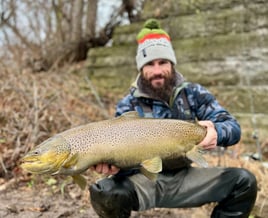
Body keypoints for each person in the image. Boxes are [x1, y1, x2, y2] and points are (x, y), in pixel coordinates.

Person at [89, 19, 257, 218]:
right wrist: (114, 166)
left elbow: (233, 128)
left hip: (187, 179)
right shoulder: (128, 105)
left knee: (244, 181)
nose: (158, 70)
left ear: (172, 64)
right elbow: (122, 159)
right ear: (141, 69)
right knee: (105, 192)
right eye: (150, 64)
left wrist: (216, 132)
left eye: (163, 62)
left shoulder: (193, 93)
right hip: (147, 181)